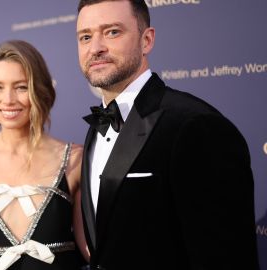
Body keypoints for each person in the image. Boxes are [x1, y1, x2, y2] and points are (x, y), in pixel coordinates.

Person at [76, 1, 259, 270]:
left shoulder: (196, 126)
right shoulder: (96, 126)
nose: (96, 47)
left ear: (146, 40)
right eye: (86, 37)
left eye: (112, 32)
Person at [0, 40, 88, 270]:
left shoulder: (74, 159)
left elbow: (90, 249)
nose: (8, 100)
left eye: (21, 87)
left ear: (39, 90)